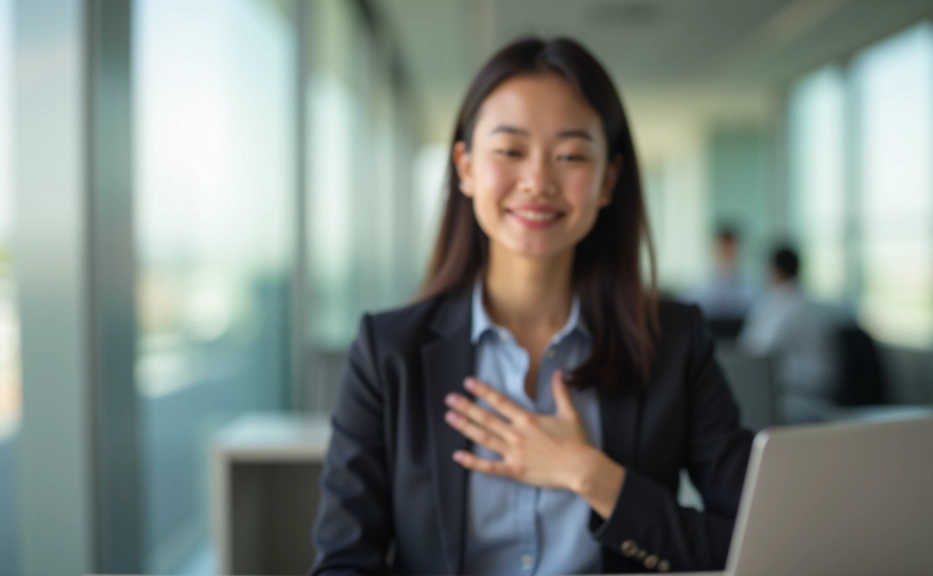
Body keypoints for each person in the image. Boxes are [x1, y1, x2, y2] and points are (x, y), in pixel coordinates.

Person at [310, 37, 753, 576]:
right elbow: (344, 562)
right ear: (466, 167)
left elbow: (750, 541)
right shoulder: (388, 353)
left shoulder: (674, 341)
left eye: (570, 155)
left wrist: (594, 477)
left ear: (609, 179)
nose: (539, 181)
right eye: (510, 151)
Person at [739, 245, 843, 423]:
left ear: (775, 271)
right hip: (828, 400)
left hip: (791, 400)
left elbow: (753, 352)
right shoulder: (822, 308)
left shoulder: (773, 306)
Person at [690, 224, 756, 326]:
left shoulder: (749, 287)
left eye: (730, 249)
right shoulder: (702, 285)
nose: (726, 254)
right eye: (723, 249)